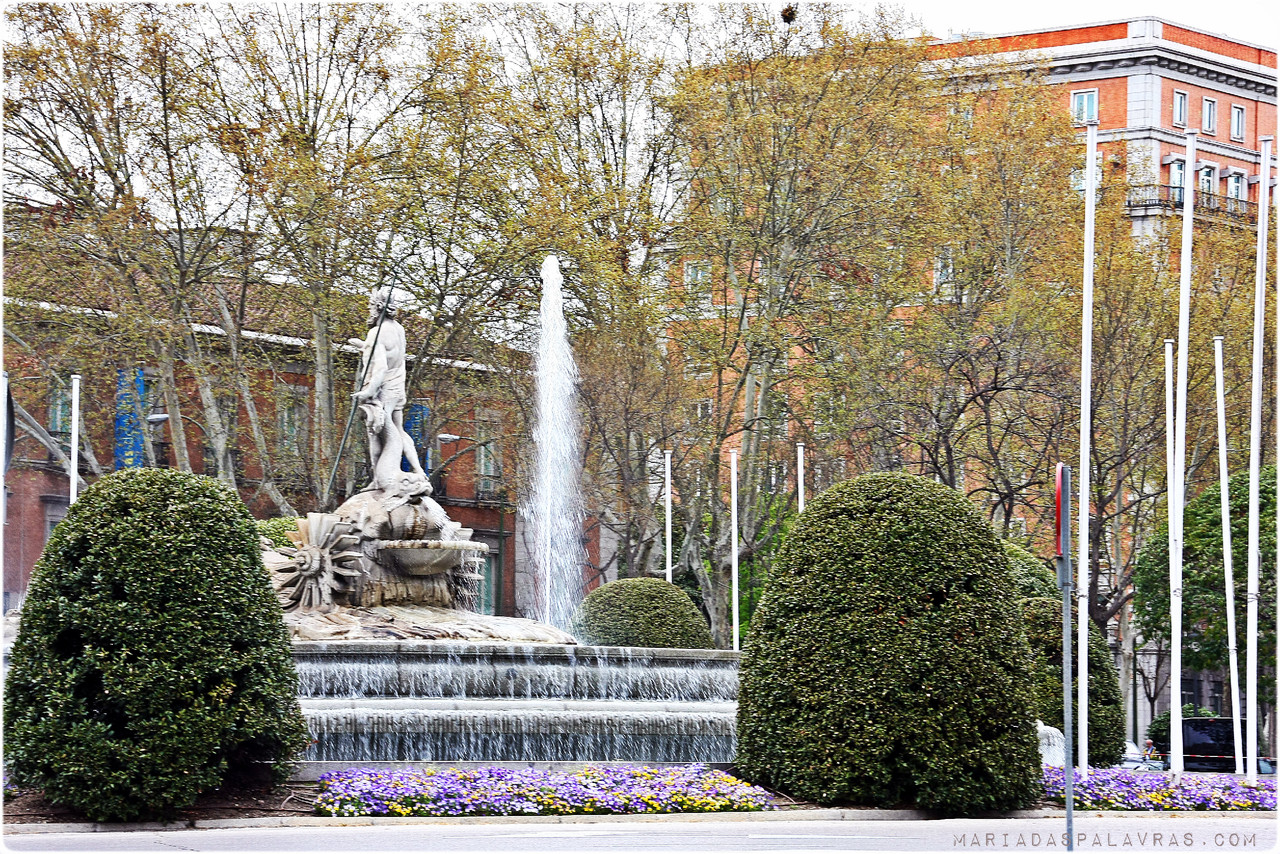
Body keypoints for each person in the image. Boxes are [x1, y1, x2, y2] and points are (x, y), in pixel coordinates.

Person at [351, 288, 427, 491]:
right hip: (398, 386)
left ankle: (378, 481)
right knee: (399, 430)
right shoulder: (398, 329)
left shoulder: (376, 333)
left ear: (377, 308)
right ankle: (419, 470)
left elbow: (381, 366)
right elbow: (391, 354)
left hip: (383, 389)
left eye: (370, 307)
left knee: (375, 433)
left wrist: (368, 392)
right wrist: (363, 345)